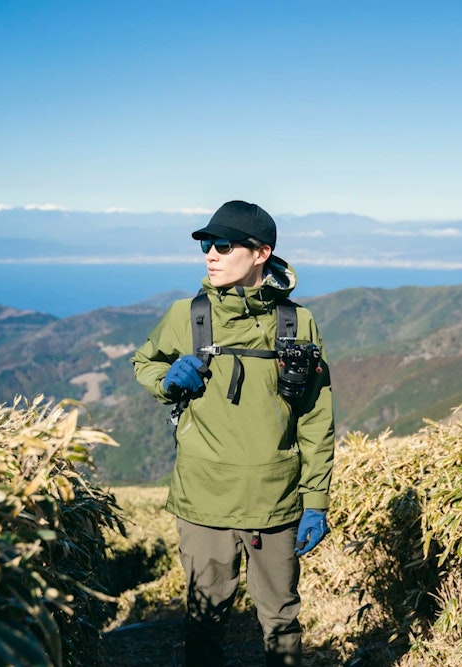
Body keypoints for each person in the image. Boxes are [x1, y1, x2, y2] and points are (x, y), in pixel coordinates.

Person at [131, 200, 335, 667]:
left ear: (261, 253)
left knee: (281, 618)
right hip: (205, 501)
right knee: (204, 619)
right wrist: (166, 381)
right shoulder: (188, 314)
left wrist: (315, 503)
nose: (210, 255)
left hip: (275, 500)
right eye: (207, 244)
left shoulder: (296, 322)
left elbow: (316, 418)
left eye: (223, 245)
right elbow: (145, 361)